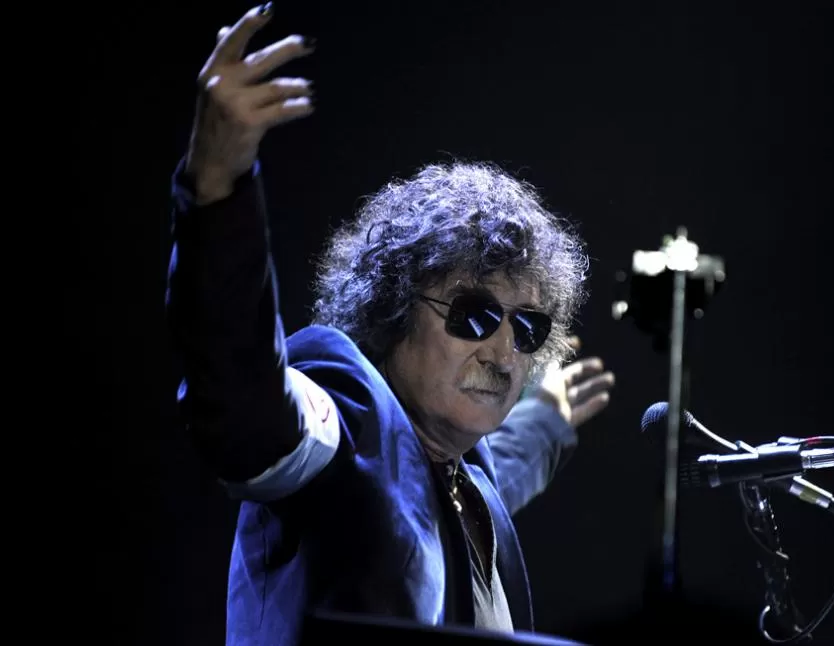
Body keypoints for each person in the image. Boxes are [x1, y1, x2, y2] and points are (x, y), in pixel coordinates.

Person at [166, 4, 616, 645]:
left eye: (527, 329)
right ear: (395, 308)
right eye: (474, 315)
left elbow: (478, 476)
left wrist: (545, 421)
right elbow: (245, 401)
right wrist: (215, 190)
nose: (503, 353)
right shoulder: (347, 414)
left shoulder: (463, 473)